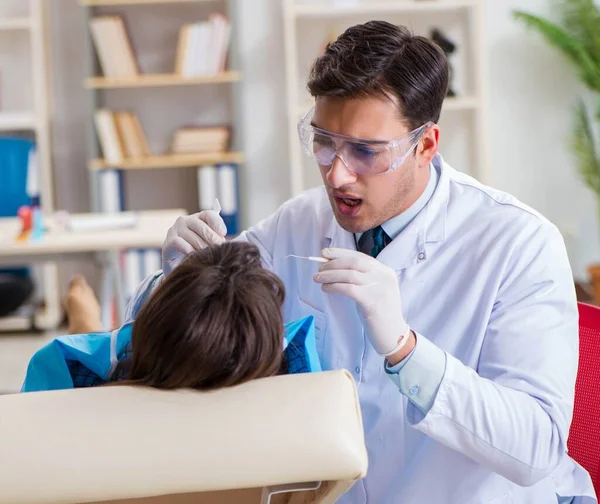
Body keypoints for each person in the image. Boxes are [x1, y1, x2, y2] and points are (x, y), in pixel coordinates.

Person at [130, 21, 596, 504]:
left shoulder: (518, 242)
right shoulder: (298, 223)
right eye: (323, 141)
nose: (337, 173)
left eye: (366, 151)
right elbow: (171, 349)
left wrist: (406, 350)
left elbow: (536, 449)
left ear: (427, 144)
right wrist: (176, 280)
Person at [26, 242, 295, 391]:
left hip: (139, 373)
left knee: (107, 351)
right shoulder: (288, 391)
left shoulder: (106, 390)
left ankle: (85, 326)